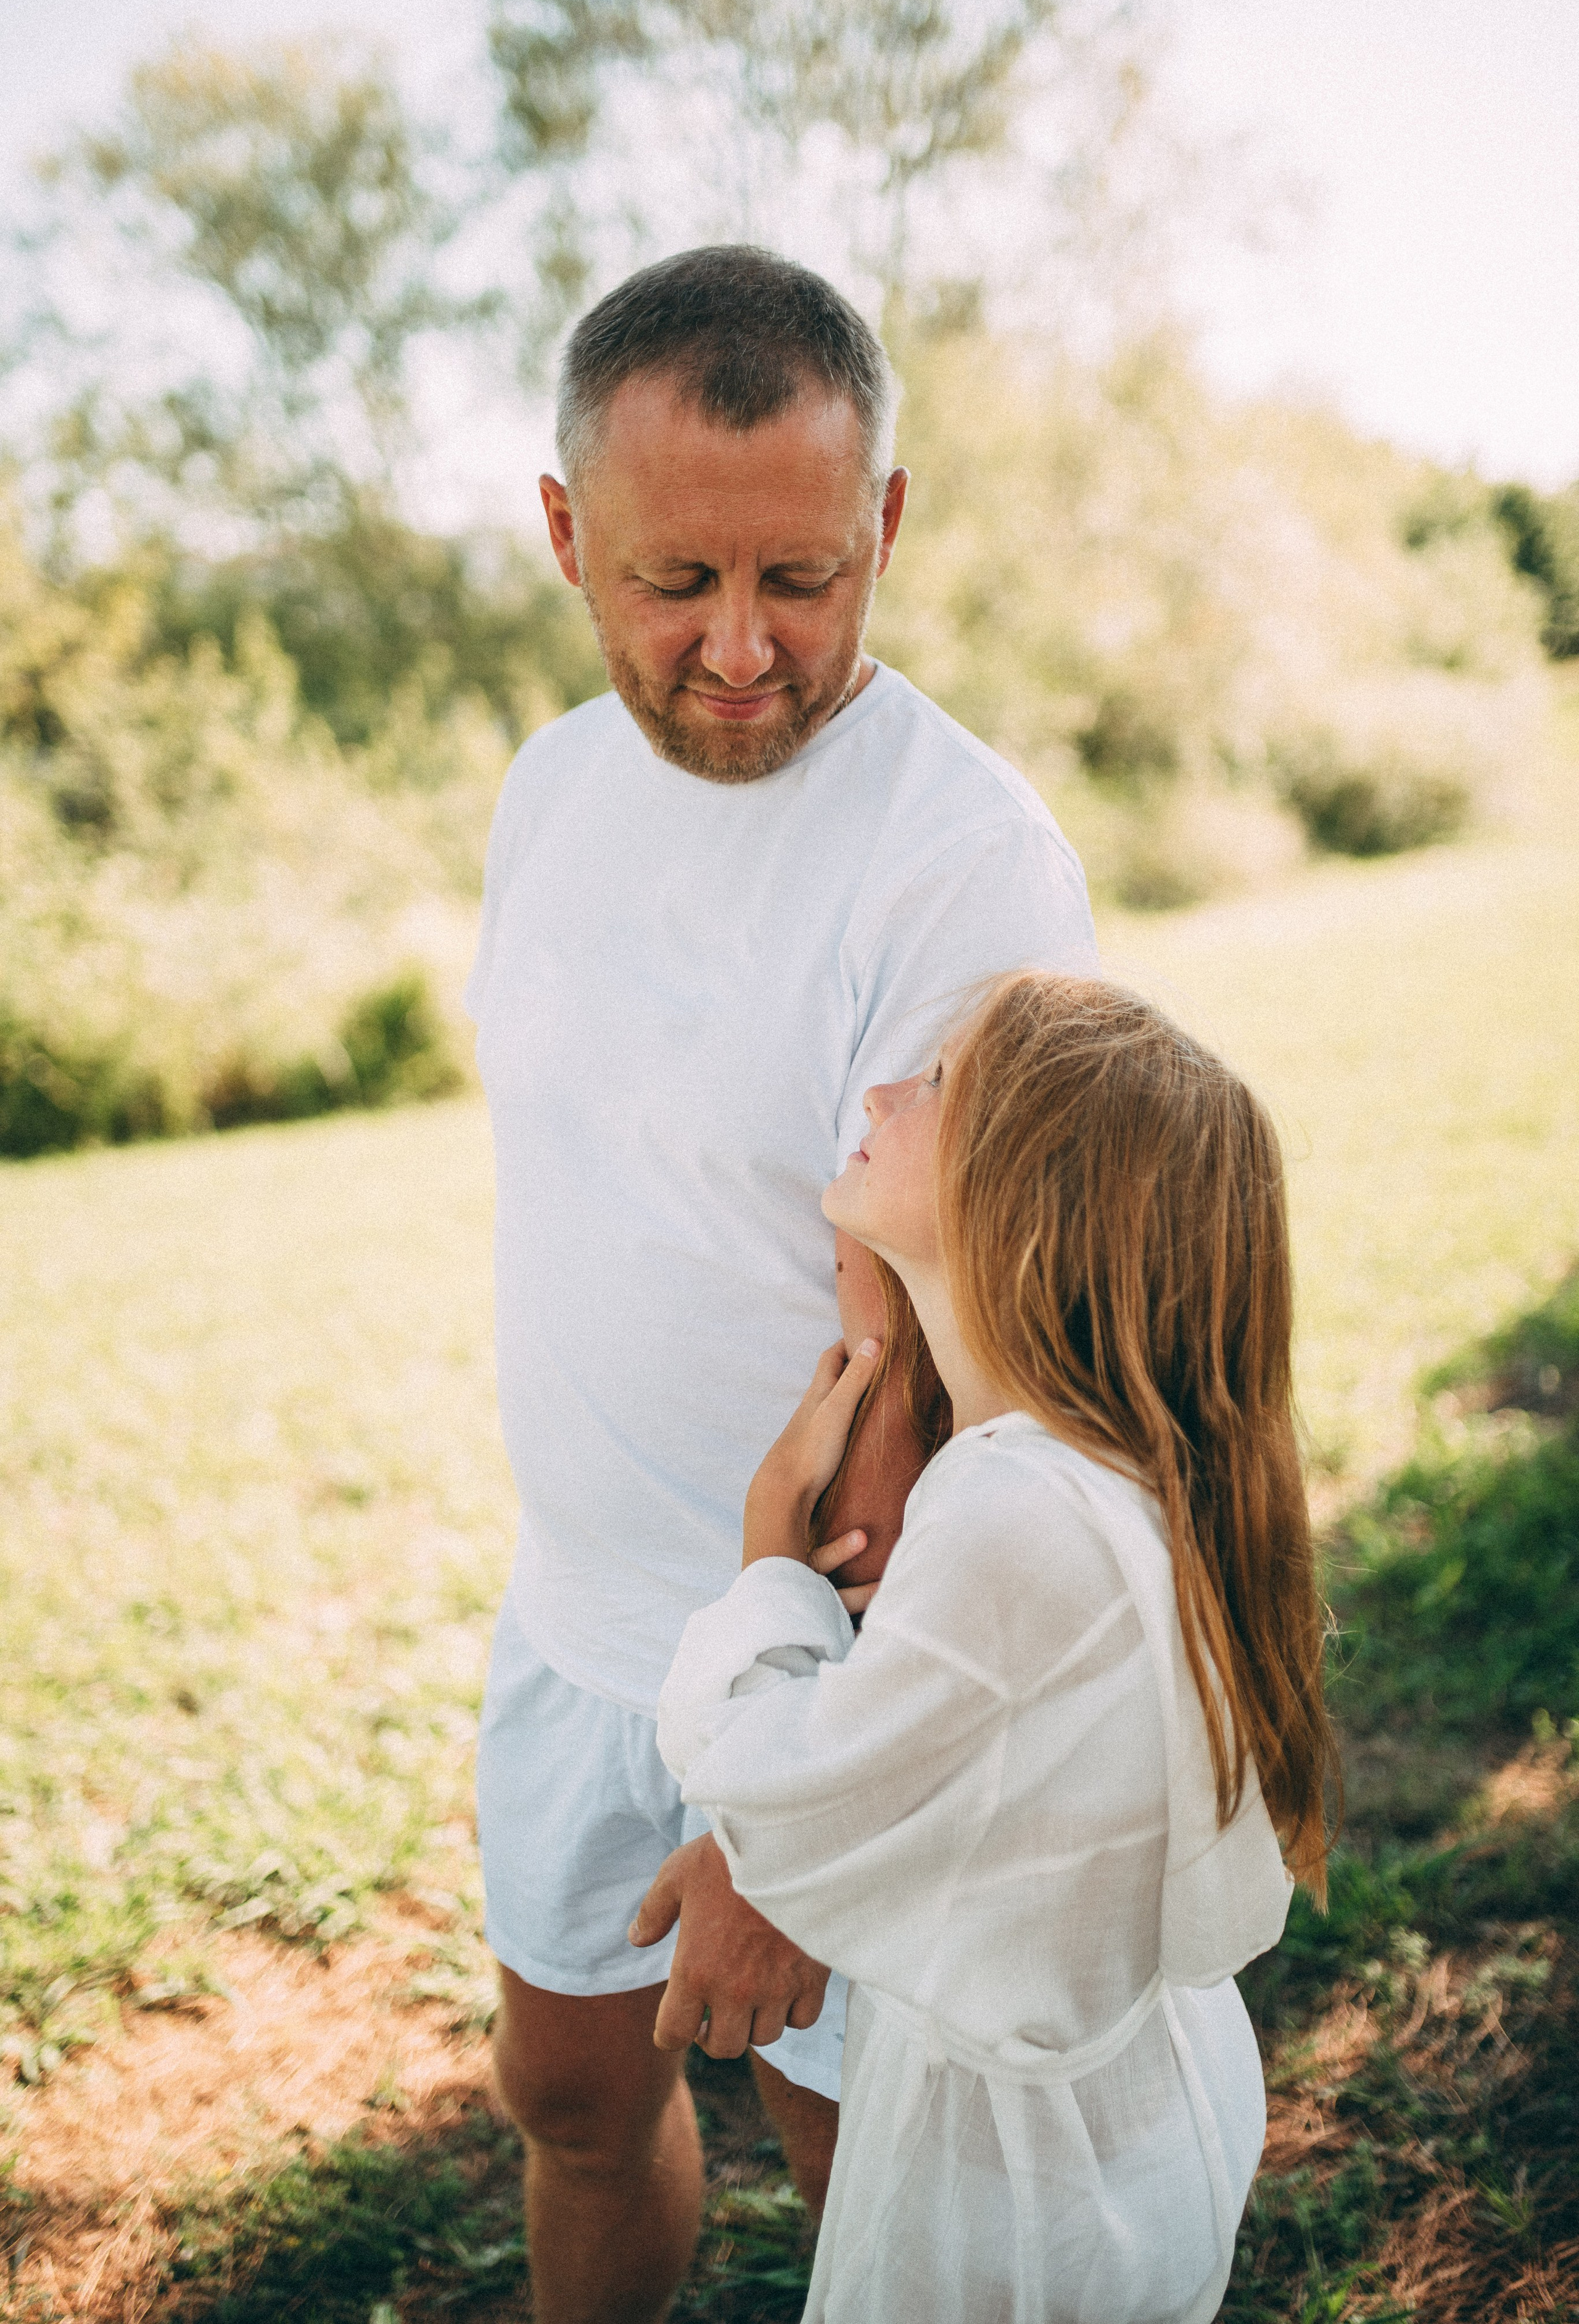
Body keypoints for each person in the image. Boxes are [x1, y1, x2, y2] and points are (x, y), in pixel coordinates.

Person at [464, 244, 1098, 2324]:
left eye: (805, 579)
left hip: (836, 1655)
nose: (742, 651)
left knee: (866, 2183)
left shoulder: (963, 859)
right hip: (577, 1609)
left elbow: (929, 1372)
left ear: (887, 523)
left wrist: (781, 1807)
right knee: (565, 2084)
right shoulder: (548, 790)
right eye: (674, 586)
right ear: (567, 533)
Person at [651, 972, 1337, 2323]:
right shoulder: (1090, 1472)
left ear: (1030, 1193)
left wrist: (767, 1559)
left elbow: (794, 1802)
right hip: (1118, 2120)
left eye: (940, 1082)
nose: (882, 1093)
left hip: (1020, 2188)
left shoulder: (1017, 1508)